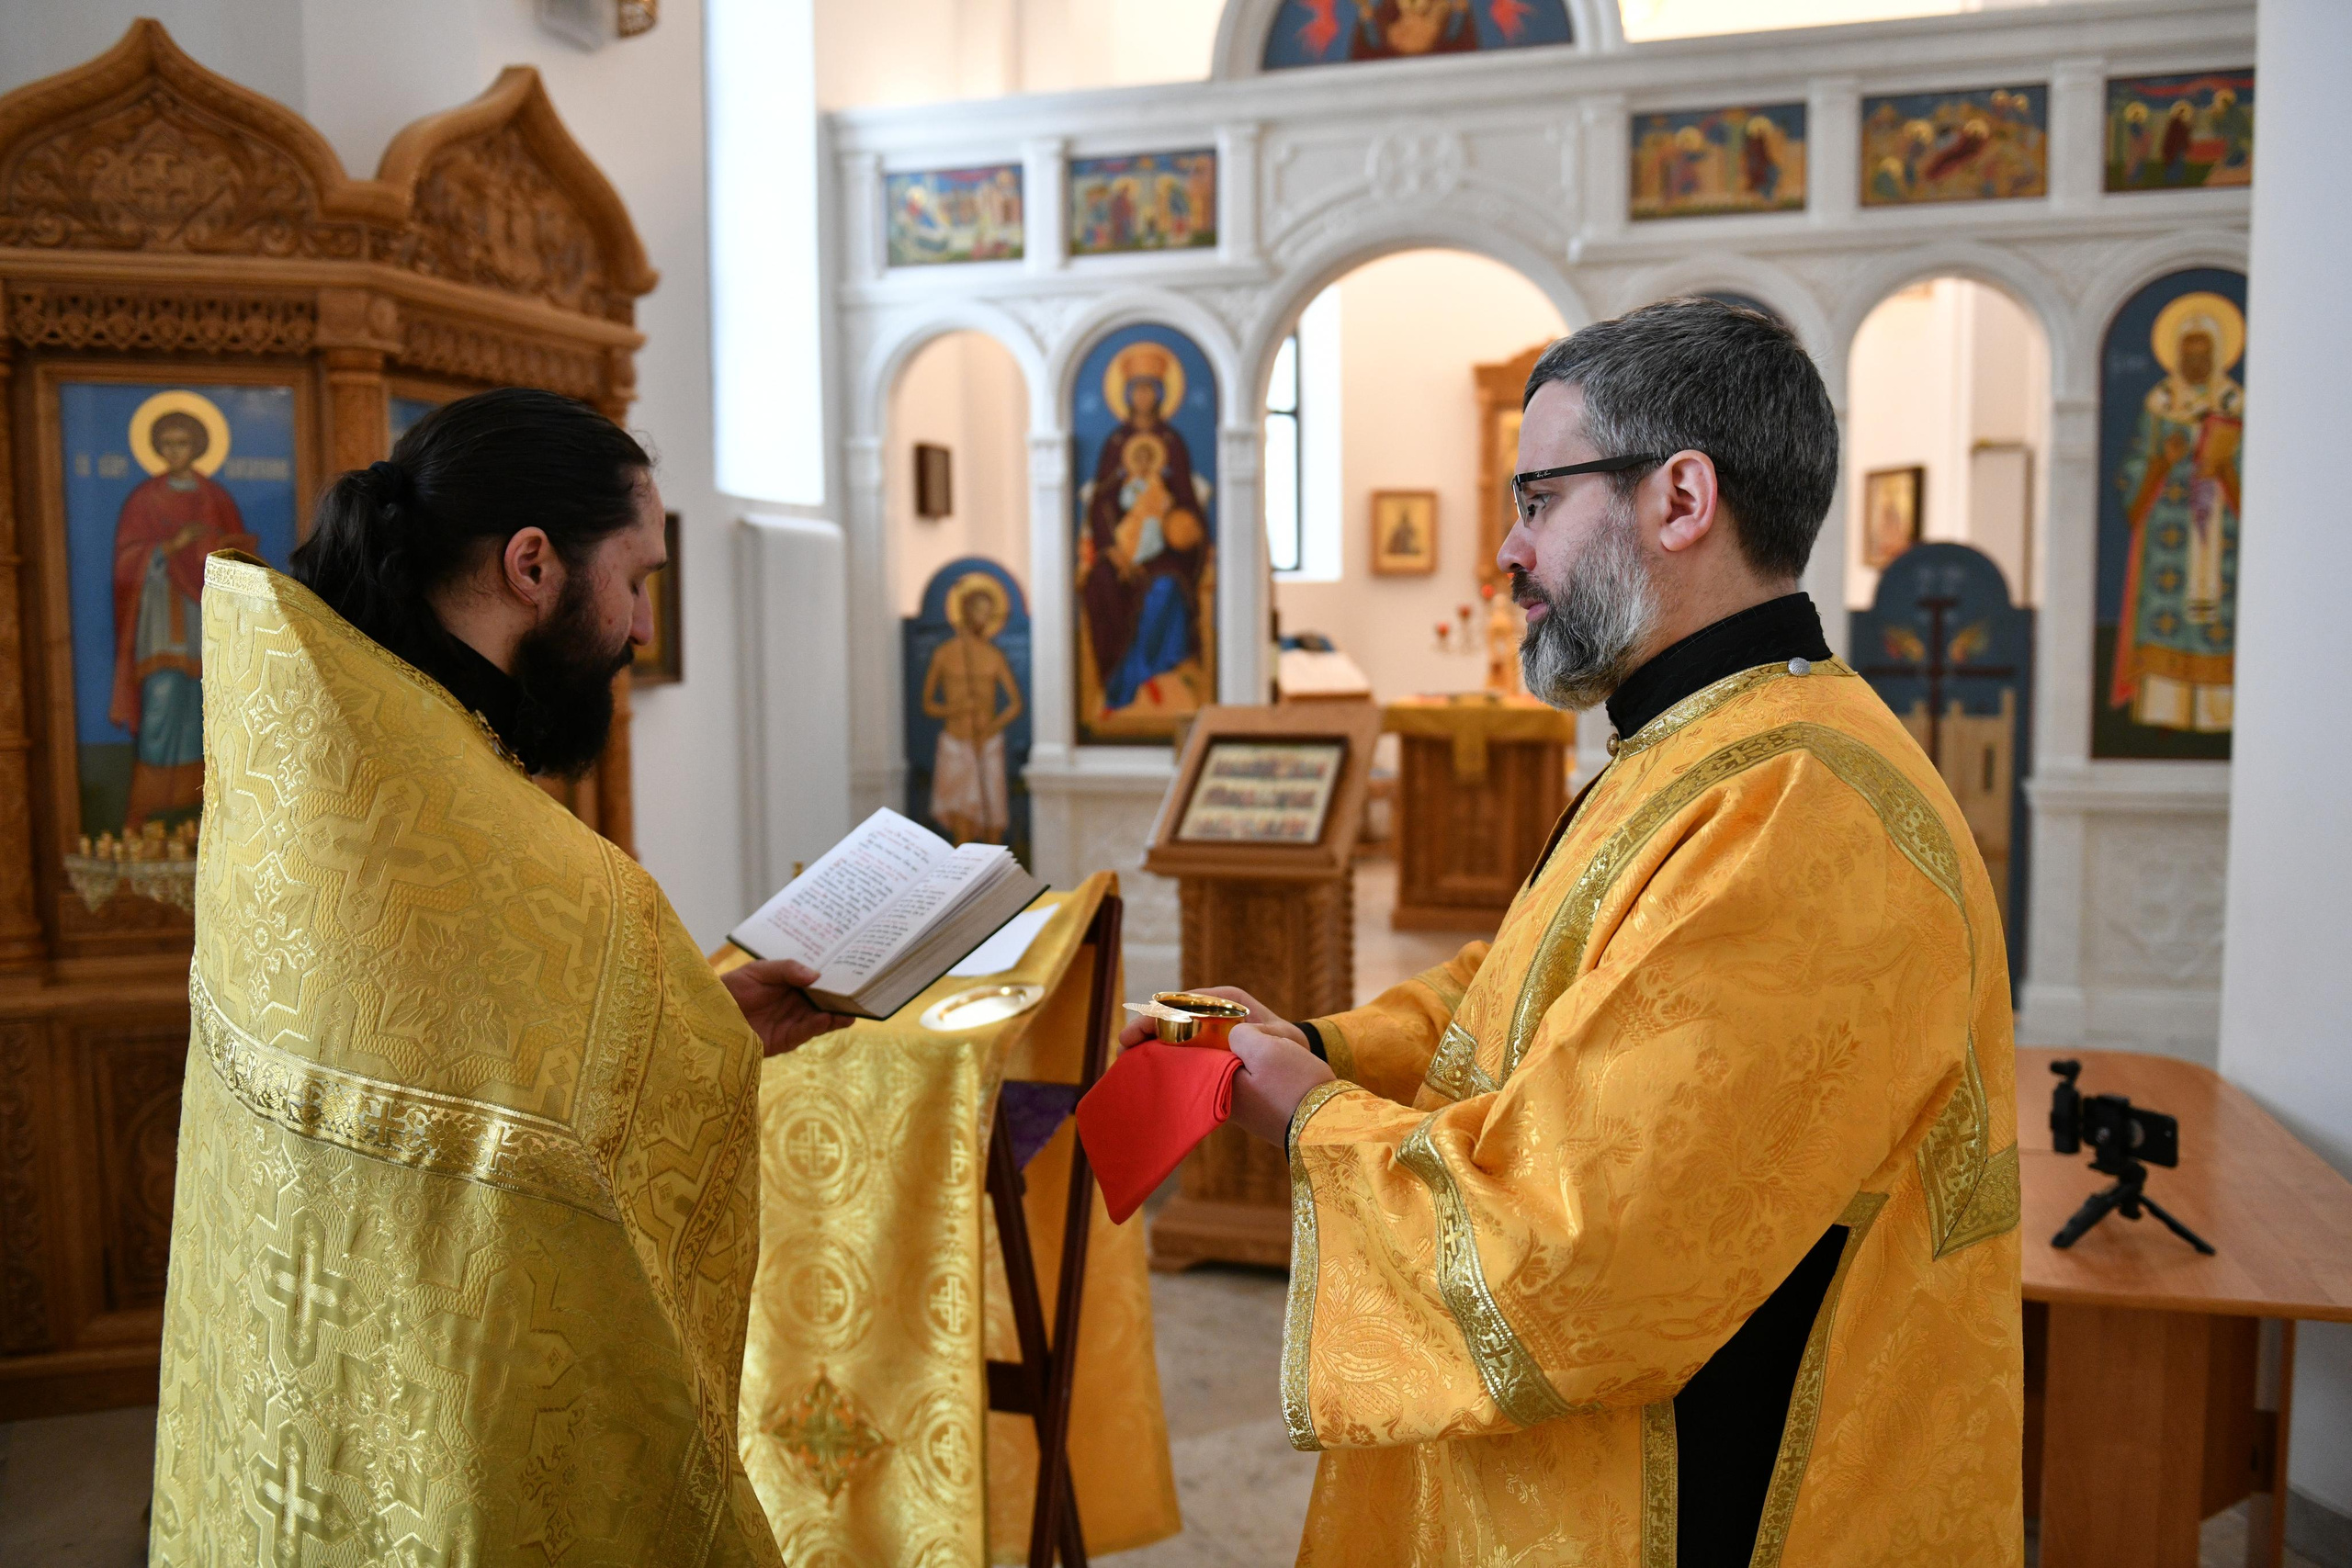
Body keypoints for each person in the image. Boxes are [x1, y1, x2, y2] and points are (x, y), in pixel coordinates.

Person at [1138, 299, 2022, 1566]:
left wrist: (1315, 1117)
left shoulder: (1798, 807)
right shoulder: (1715, 740)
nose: (1507, 548)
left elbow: (1576, 1250)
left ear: (1680, 497)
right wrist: (1328, 1041)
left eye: (1538, 497)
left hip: (1723, 1487)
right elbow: (1526, 988)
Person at [150, 388, 849, 1565]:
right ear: (533, 564)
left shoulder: (320, 762)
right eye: (637, 579)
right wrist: (696, 1038)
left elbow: (466, 1058)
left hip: (284, 1381)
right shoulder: (533, 859)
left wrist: (701, 1023)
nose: (637, 627)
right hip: (444, 1395)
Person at [111, 407, 254, 829]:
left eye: (184, 443)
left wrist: (216, 548)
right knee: (161, 700)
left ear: (197, 447)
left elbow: (240, 557)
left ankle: (206, 810)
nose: (176, 451)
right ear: (157, 447)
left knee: (206, 706)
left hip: (209, 615)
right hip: (161, 618)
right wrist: (172, 546)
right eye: (168, 443)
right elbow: (126, 562)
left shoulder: (216, 497)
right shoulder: (144, 499)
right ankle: (151, 807)